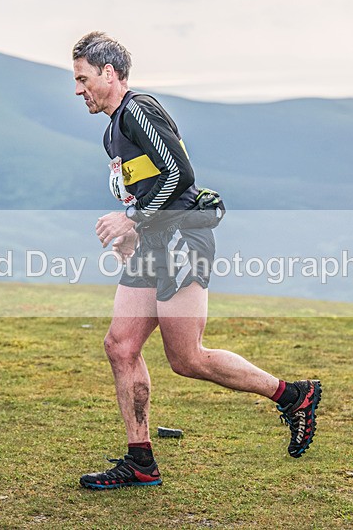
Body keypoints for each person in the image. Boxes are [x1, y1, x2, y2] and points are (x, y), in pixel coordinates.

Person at [72, 31, 322, 489]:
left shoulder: (139, 110)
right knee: (120, 346)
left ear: (109, 73)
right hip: (153, 244)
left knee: (187, 358)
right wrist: (134, 231)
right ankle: (141, 461)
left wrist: (132, 219)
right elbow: (150, 186)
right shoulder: (113, 129)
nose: (78, 89)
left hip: (182, 241)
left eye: (83, 78)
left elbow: (179, 175)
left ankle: (293, 395)